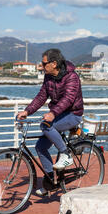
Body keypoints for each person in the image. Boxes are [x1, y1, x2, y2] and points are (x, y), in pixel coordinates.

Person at [17, 48, 84, 196]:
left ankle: (66, 155)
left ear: (54, 63)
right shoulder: (48, 77)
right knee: (40, 147)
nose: (41, 66)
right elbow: (41, 96)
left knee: (45, 126)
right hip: (59, 114)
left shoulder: (71, 76)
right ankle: (50, 183)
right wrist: (27, 111)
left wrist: (53, 113)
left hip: (73, 114)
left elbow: (68, 99)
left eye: (43, 63)